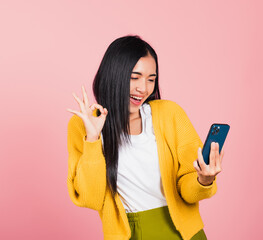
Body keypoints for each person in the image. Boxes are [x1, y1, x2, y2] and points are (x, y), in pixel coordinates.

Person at [66, 35, 224, 240]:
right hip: (129, 233)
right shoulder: (83, 126)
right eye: (135, 77)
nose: (144, 88)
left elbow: (187, 189)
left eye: (151, 79)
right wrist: (93, 139)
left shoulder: (170, 114)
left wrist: (204, 180)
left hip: (184, 233)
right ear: (114, 74)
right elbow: (91, 198)